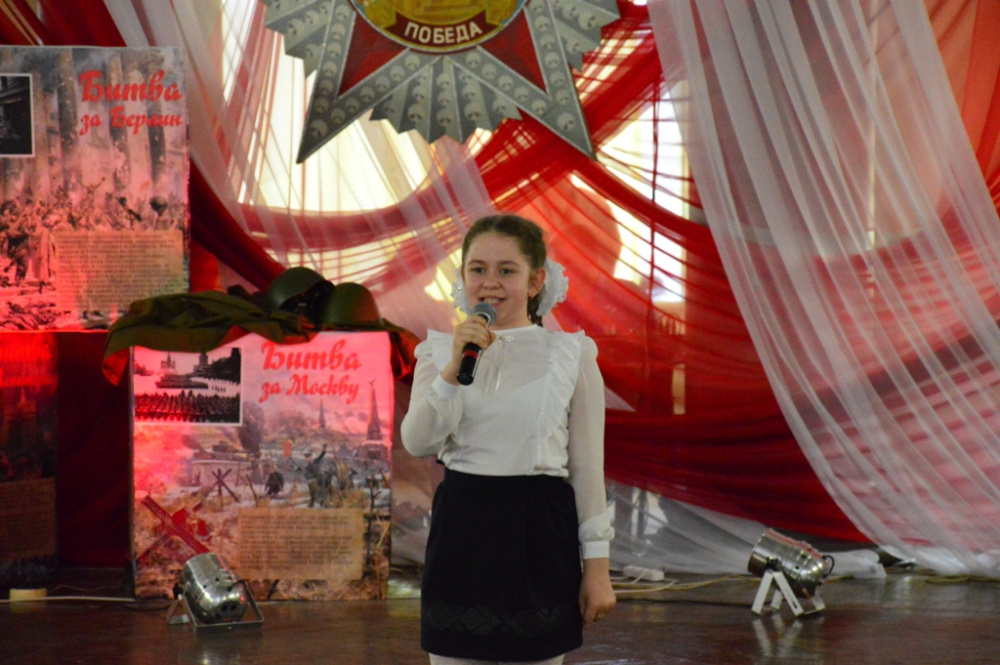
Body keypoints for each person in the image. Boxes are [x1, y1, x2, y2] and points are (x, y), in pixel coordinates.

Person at [401, 213, 616, 665]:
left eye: (507, 270)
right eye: (478, 269)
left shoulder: (570, 354)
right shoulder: (439, 351)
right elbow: (418, 442)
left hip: (538, 530)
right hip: (463, 529)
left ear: (535, 280)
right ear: (463, 277)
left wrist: (597, 569)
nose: (490, 283)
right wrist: (452, 370)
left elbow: (587, 468)